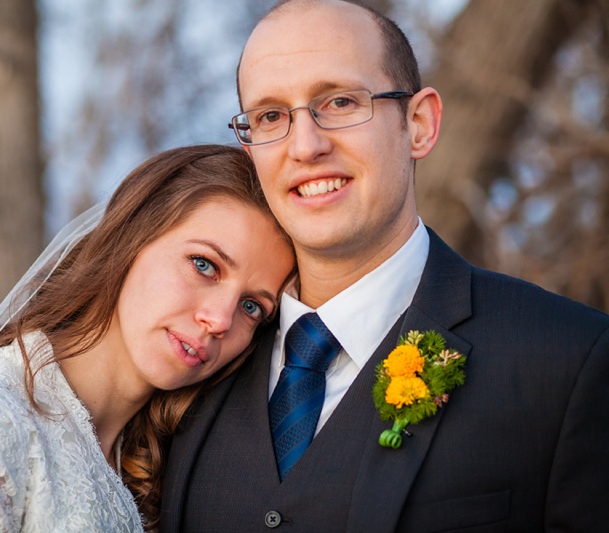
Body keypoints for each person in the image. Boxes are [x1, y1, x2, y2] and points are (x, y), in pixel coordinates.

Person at [161, 1, 609, 532]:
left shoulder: (568, 360)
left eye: (341, 102)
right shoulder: (193, 364)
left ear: (418, 124)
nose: (306, 146)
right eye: (271, 116)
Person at [0, 144, 296, 532]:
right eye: (204, 265)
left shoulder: (159, 464)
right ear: (132, 238)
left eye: (252, 307)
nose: (220, 320)